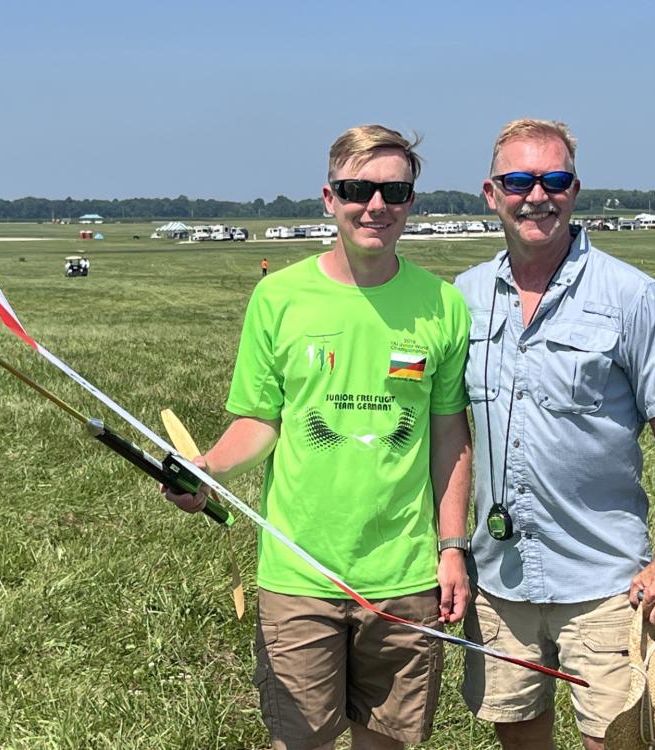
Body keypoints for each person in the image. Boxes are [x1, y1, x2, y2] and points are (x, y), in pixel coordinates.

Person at [164, 124, 473, 750]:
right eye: (358, 189)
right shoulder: (278, 297)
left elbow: (450, 438)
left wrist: (451, 547)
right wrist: (208, 467)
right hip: (298, 574)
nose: (376, 206)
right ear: (329, 198)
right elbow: (260, 420)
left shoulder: (442, 305)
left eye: (395, 192)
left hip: (405, 576)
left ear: (413, 201)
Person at [453, 119, 655, 750]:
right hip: (499, 576)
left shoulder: (632, 296)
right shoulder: (465, 296)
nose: (537, 195)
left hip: (606, 580)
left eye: (553, 179)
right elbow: (450, 432)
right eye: (519, 180)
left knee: (616, 739)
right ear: (491, 192)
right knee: (518, 732)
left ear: (574, 189)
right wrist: (450, 544)